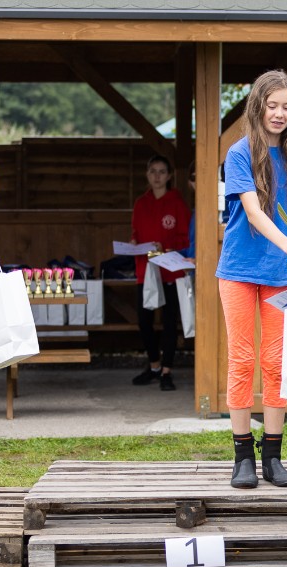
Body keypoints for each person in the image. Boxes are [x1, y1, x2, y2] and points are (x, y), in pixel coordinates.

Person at [216, 69, 287, 489]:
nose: (279, 113)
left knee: (277, 363)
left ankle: (273, 456)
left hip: (284, 274)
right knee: (242, 360)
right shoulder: (239, 153)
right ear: (257, 107)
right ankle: (242, 456)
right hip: (240, 270)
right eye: (272, 105)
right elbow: (255, 212)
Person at [129, 154, 192, 391]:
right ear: (147, 174)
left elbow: (186, 239)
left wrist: (165, 248)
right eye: (152, 171)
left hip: (170, 271)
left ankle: (167, 371)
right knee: (144, 321)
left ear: (169, 176)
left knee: (169, 322)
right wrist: (134, 243)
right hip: (145, 271)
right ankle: (154, 365)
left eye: (161, 172)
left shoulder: (177, 203)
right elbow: (135, 233)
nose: (157, 176)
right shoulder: (140, 203)